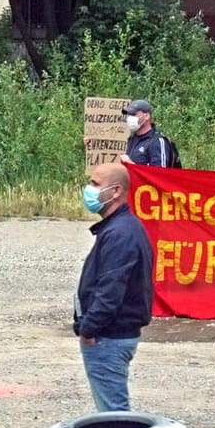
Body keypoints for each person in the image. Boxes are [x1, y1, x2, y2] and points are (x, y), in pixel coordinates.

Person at [74, 161, 153, 412]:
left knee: (114, 415)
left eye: (96, 184)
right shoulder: (118, 228)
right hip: (110, 334)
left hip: (108, 337)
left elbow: (110, 290)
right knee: (112, 411)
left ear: (116, 191)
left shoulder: (120, 233)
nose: (89, 189)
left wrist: (89, 329)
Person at [120, 99, 178, 167]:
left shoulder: (157, 142)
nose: (129, 118)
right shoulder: (132, 138)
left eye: (133, 114)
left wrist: (130, 164)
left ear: (147, 116)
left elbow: (159, 174)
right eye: (129, 115)